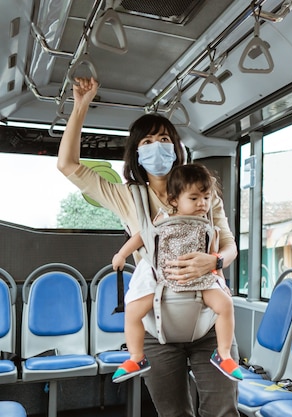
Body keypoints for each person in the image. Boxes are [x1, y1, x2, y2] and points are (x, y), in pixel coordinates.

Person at [57, 77, 240, 417]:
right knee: (173, 413)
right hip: (158, 326)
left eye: (165, 139)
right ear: (137, 152)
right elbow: (67, 165)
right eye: (148, 141)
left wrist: (213, 262)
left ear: (177, 147)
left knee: (223, 410)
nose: (158, 146)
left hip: (208, 319)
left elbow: (229, 248)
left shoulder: (203, 193)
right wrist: (81, 106)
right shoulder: (126, 195)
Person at [111, 163, 243, 383]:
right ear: (174, 201)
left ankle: (224, 353)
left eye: (206, 198)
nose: (202, 203)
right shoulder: (163, 219)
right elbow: (142, 237)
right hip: (163, 278)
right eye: (194, 198)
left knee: (226, 305)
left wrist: (220, 280)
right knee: (133, 310)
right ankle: (136, 356)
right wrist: (122, 254)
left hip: (199, 279)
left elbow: (213, 254)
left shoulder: (208, 226)